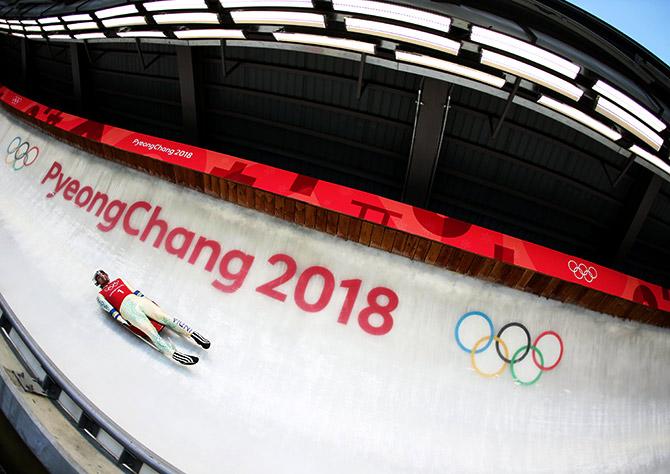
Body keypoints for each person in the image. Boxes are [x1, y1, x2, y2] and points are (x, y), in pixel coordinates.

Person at [93, 269, 210, 365]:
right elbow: (111, 310)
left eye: (102, 274)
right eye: (99, 277)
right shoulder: (101, 296)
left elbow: (134, 290)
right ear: (98, 282)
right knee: (150, 331)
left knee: (165, 317)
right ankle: (174, 354)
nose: (102, 277)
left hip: (137, 300)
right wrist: (122, 320)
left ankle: (194, 335)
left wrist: (148, 300)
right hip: (127, 310)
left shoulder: (119, 280)